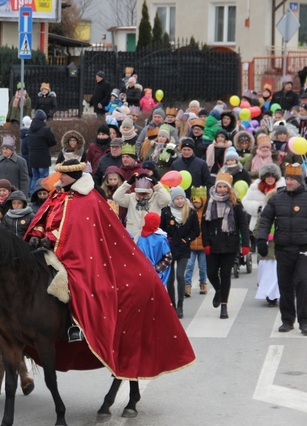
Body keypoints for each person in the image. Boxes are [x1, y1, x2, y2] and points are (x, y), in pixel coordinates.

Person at [24, 159, 195, 375]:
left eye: (64, 176)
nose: (60, 179)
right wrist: (37, 235)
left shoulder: (88, 200)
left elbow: (78, 232)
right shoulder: (57, 194)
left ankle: (72, 326)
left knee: (69, 285)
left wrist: (51, 238)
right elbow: (43, 217)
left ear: (74, 177)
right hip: (46, 249)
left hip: (75, 254)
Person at [257, 163, 307, 335]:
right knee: (285, 285)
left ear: (299, 180)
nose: (288, 182)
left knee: (304, 282)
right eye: (287, 179)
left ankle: (305, 322)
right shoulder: (277, 198)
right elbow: (266, 218)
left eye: (292, 179)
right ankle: (287, 320)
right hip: (283, 248)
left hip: (304, 248)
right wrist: (261, 239)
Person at [203, 172, 251, 320]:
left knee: (225, 275)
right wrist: (206, 243)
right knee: (211, 272)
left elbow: (243, 224)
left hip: (230, 243)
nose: (222, 189)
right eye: (220, 186)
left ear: (229, 188)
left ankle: (224, 305)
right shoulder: (209, 201)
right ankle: (218, 290)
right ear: (216, 187)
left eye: (225, 187)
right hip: (213, 242)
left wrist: (245, 244)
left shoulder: (235, 202)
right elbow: (204, 223)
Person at [242, 163, 284, 306]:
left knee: (274, 264)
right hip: (260, 224)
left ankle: (273, 290)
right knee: (263, 260)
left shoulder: (282, 186)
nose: (270, 179)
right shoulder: (255, 187)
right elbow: (246, 202)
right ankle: (264, 284)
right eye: (268, 176)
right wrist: (258, 208)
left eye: (273, 176)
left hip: (278, 230)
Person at [160, 186, 200, 319]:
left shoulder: (190, 212)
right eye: (177, 198)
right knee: (170, 278)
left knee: (180, 275)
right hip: (169, 248)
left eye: (182, 198)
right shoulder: (166, 212)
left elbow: (196, 230)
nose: (179, 201)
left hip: (183, 248)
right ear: (173, 199)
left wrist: (186, 239)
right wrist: (166, 239)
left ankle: (180, 304)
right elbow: (161, 229)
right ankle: (171, 304)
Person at [113, 171, 171, 240]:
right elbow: (116, 197)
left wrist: (157, 185)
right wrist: (128, 184)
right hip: (133, 237)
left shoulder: (156, 199)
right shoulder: (131, 198)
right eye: (139, 193)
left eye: (144, 194)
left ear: (149, 191)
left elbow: (167, 199)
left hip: (150, 238)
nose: (141, 196)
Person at [24, 109, 57, 195]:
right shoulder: (45, 129)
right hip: (43, 158)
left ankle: (32, 193)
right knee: (44, 177)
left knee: (35, 177)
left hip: (33, 158)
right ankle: (44, 193)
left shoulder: (30, 129)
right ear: (43, 119)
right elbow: (52, 142)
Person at [136, 212, 174, 285]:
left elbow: (168, 258)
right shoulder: (141, 237)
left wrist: (155, 270)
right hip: (142, 275)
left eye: (145, 221)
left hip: (156, 277)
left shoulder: (161, 239)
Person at [186, 186, 209, 297]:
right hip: (191, 245)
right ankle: (187, 285)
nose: (197, 204)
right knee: (189, 265)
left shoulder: (206, 213)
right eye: (194, 202)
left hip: (202, 245)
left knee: (203, 266)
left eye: (198, 202)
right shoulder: (189, 212)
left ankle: (203, 283)